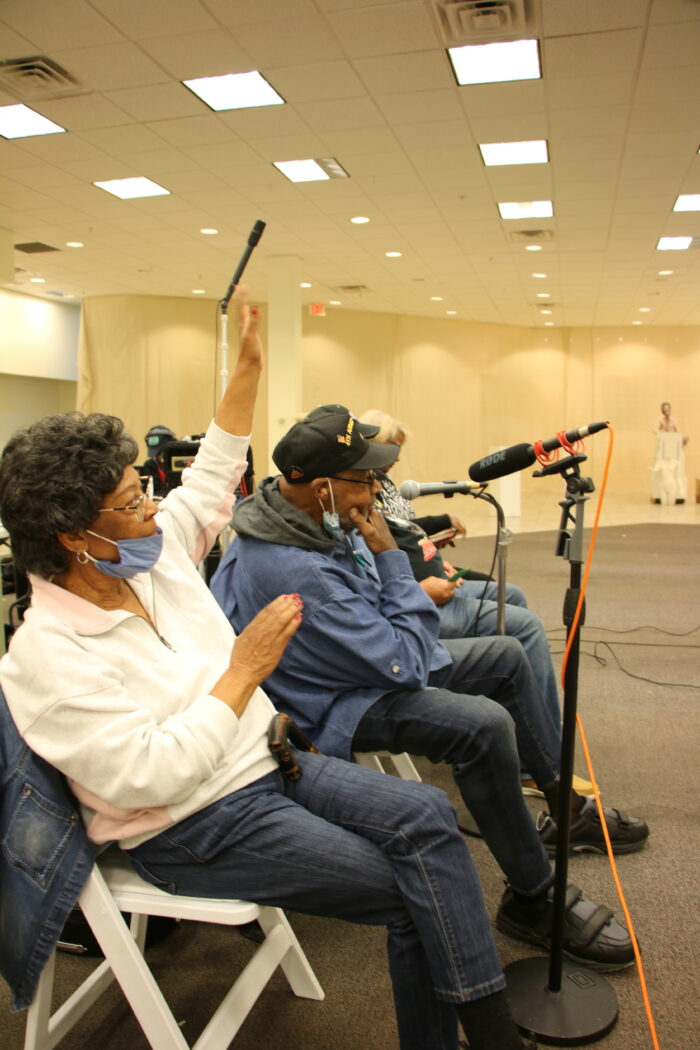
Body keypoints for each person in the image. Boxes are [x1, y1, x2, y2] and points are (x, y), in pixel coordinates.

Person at [0, 294, 542, 1050]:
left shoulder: (151, 557)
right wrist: (242, 672)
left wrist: (249, 368)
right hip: (191, 821)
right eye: (131, 503)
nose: (154, 509)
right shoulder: (45, 657)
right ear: (74, 537)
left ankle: (484, 1031)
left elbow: (212, 473)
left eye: (145, 491)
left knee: (428, 817)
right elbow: (150, 775)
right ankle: (488, 1036)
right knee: (415, 890)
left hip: (266, 758)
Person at [210, 404, 645, 971]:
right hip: (328, 705)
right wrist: (390, 556)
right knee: (483, 725)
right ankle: (533, 898)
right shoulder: (298, 567)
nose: (376, 487)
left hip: (353, 663)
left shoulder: (299, 514)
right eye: (365, 477)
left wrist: (383, 565)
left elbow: (381, 621)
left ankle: (566, 808)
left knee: (507, 655)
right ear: (321, 487)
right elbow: (405, 662)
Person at [357, 408, 585, 796]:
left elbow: (405, 534)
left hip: (426, 583)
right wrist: (418, 590)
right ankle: (537, 764)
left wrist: (434, 549)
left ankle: (524, 728)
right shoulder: (357, 498)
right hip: (415, 603)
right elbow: (368, 576)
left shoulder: (380, 486)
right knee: (525, 628)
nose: (394, 458)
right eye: (390, 448)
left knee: (512, 596)